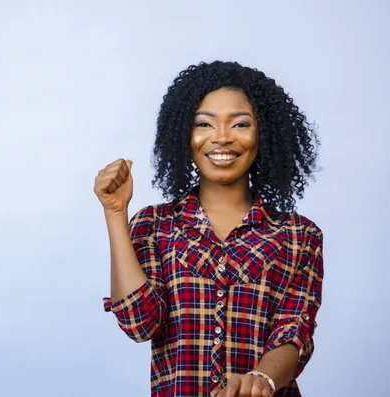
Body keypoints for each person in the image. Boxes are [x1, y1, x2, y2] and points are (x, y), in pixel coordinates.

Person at [94, 60, 323, 397]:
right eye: (204, 123)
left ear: (264, 133)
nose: (222, 138)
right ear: (185, 134)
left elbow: (294, 332)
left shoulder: (299, 236)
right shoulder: (154, 226)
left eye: (241, 124)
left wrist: (262, 379)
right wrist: (115, 213)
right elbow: (139, 323)